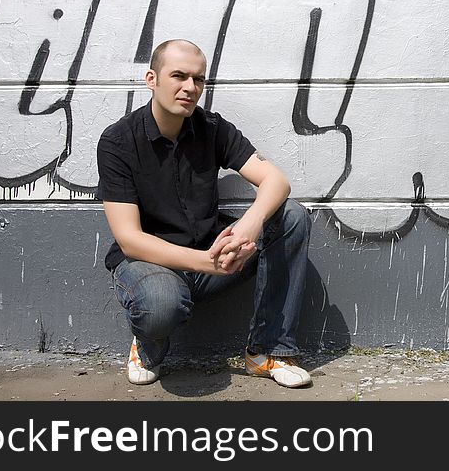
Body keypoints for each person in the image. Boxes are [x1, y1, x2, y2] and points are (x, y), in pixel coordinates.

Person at [96, 39, 312, 387]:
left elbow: (275, 180)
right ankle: (148, 348)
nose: (190, 87)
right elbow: (130, 240)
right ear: (151, 79)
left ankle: (266, 352)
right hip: (152, 265)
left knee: (291, 216)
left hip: (212, 255)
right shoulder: (118, 141)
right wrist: (207, 262)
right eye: (178, 76)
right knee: (160, 304)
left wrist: (249, 226)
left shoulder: (211, 128)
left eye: (198, 79)